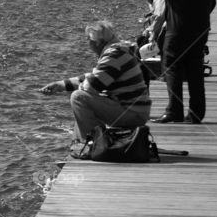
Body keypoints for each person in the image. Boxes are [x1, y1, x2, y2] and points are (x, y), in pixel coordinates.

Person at [40, 20, 151, 155]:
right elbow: (94, 77)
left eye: (88, 40)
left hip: (133, 113)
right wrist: (61, 85)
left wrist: (75, 89)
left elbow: (91, 86)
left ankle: (92, 146)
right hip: (134, 110)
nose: (88, 44)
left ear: (97, 42)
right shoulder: (118, 50)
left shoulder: (114, 55)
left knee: (78, 98)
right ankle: (81, 143)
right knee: (83, 97)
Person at [147, 0, 216, 124]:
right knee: (195, 70)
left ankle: (174, 111)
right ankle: (196, 113)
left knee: (172, 68)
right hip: (200, 30)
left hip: (178, 31)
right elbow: (213, 2)